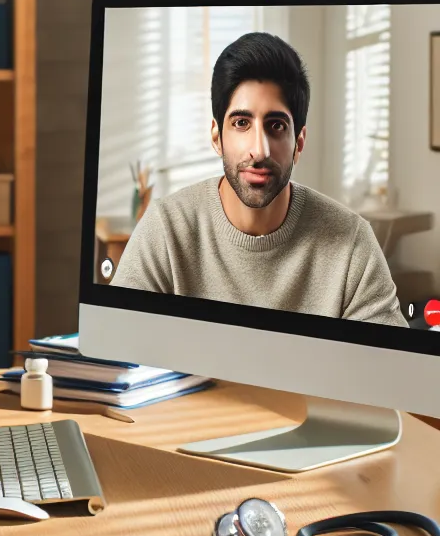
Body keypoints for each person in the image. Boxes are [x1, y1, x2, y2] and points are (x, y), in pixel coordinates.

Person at [111, 32, 406, 326]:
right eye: (241, 123)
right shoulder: (165, 229)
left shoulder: (352, 242)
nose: (259, 150)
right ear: (217, 138)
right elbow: (117, 349)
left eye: (276, 125)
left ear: (298, 143)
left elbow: (389, 368)